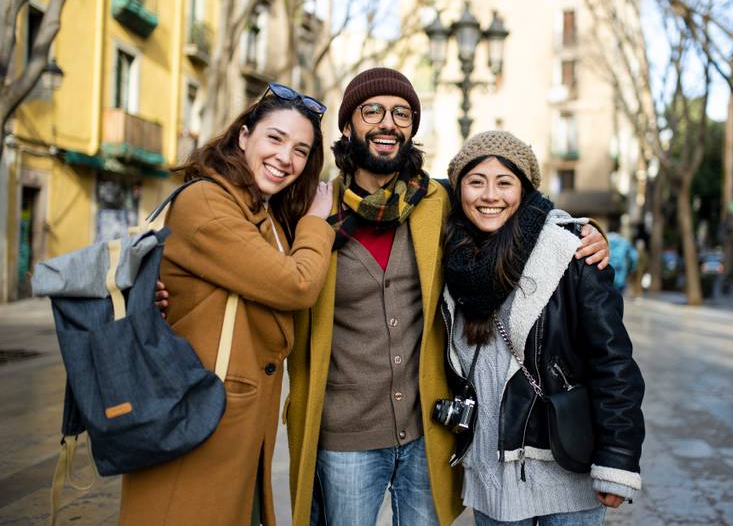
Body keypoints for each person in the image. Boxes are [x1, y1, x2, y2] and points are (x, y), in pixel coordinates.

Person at [285, 68, 612, 525]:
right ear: (347, 126)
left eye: (401, 113)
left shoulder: (436, 204)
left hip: (427, 432)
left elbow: (511, 208)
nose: (387, 122)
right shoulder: (314, 211)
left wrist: (579, 232)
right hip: (344, 435)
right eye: (372, 110)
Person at [120, 83, 335, 526]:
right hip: (199, 417)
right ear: (243, 136)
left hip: (232, 423)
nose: (285, 158)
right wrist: (317, 223)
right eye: (274, 138)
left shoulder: (265, 212)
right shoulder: (206, 201)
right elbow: (295, 284)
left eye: (300, 150)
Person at [438, 131, 645, 525]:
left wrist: (618, 459)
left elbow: (613, 359)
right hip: (492, 474)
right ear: (458, 189)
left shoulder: (569, 250)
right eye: (475, 181)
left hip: (566, 467)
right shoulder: (450, 256)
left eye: (504, 182)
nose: (489, 195)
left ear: (525, 189)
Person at [607, 221, 638, 293]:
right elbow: (634, 256)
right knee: (617, 297)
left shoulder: (602, 239)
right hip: (620, 272)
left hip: (604, 270)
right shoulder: (624, 241)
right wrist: (631, 269)